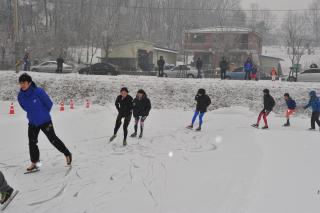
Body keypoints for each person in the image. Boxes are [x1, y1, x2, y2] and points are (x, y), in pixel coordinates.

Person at [17, 73, 72, 172]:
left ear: (29, 82)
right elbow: (24, 107)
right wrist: (33, 115)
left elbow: (49, 104)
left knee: (53, 139)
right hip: (33, 122)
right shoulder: (20, 96)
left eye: (24, 82)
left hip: (45, 121)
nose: (22, 85)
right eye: (20, 83)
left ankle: (67, 153)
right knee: (32, 143)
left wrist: (42, 113)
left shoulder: (39, 92)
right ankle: (35, 163)